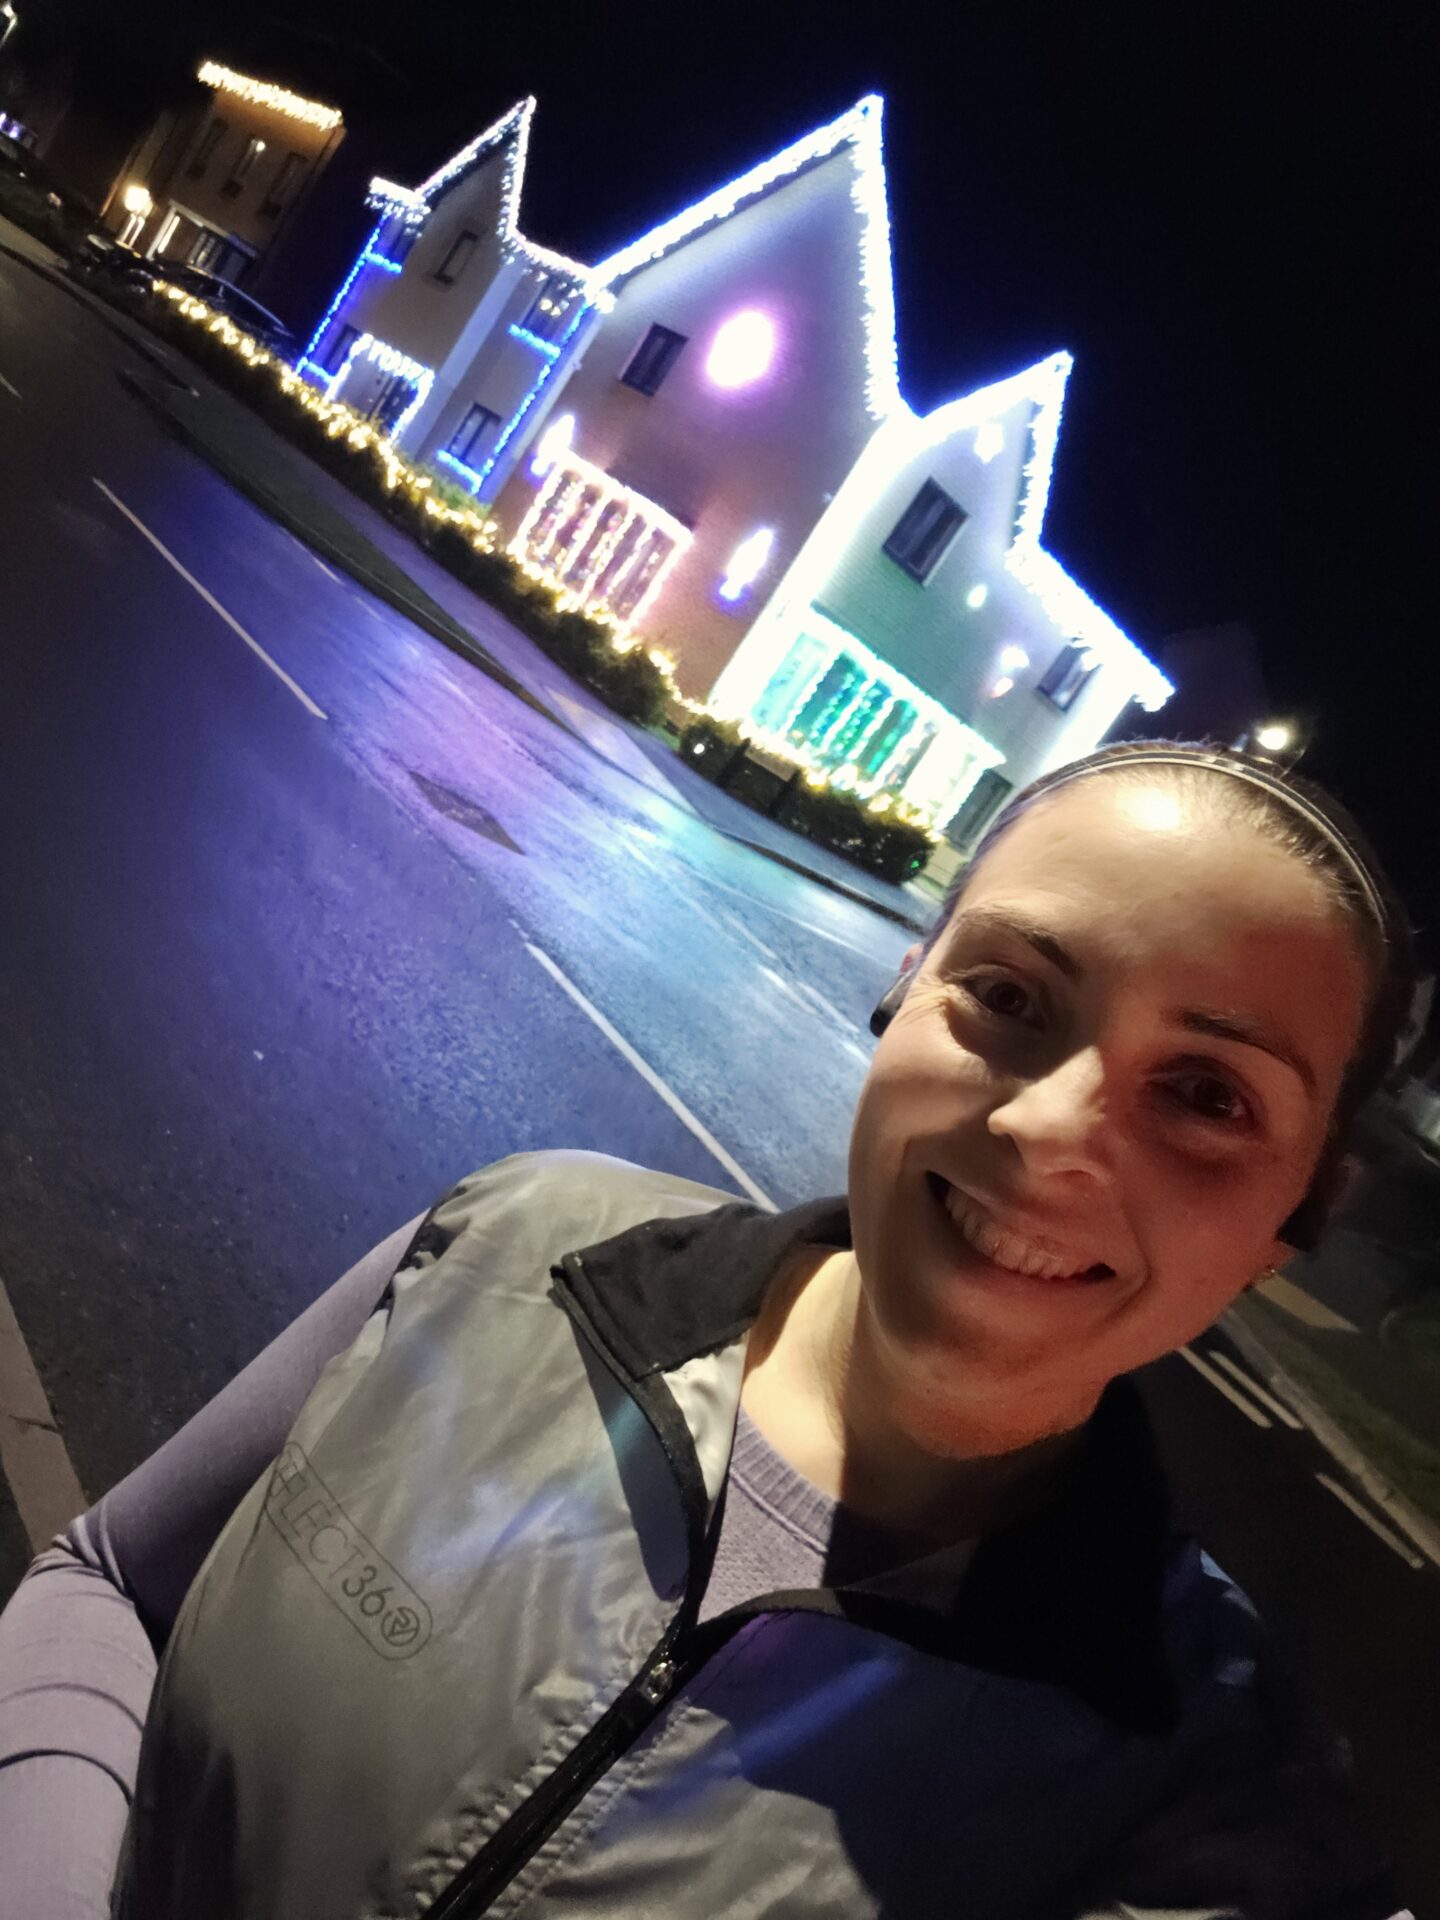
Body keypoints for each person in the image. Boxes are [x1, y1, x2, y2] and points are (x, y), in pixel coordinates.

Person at [0, 740, 1420, 1920]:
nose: (1046, 1130)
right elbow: (118, 1583)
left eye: (1208, 1096)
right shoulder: (520, 1239)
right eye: (1010, 996)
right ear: (909, 982)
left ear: (1302, 1210)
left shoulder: (1213, 1796)